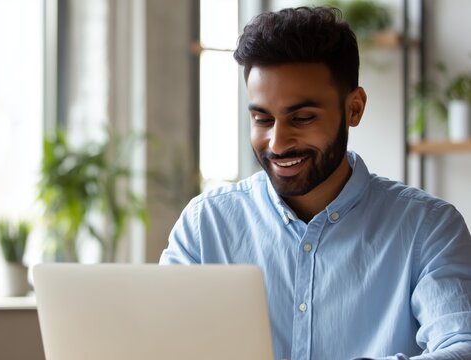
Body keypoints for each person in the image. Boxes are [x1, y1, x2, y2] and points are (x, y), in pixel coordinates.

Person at [159, 6, 471, 360]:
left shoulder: (428, 228)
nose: (277, 143)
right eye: (262, 119)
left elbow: (462, 346)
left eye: (302, 118)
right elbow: (159, 343)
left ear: (354, 108)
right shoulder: (205, 225)